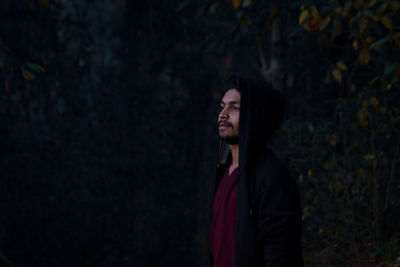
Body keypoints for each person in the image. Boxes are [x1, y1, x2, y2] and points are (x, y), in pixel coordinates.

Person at [208, 75, 303, 267]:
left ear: (254, 116)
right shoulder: (224, 172)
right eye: (222, 106)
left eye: (235, 108)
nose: (222, 114)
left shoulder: (271, 176)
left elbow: (281, 252)